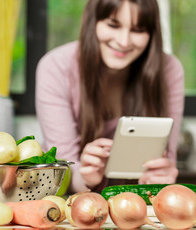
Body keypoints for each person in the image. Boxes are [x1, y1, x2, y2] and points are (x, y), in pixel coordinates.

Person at [35, 0, 184, 193]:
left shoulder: (169, 70)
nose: (123, 41)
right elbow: (64, 173)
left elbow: (166, 160)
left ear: (152, 33)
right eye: (113, 25)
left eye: (138, 30)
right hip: (72, 203)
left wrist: (163, 175)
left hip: (138, 204)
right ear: (92, 20)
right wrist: (88, 177)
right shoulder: (55, 67)